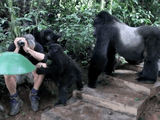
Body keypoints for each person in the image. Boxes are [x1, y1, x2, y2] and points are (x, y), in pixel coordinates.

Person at [4, 34, 47, 115]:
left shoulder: (37, 45)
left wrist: (28, 49)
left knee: (43, 66)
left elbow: (44, 59)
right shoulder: (14, 46)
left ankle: (34, 94)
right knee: (7, 72)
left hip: (31, 73)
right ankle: (15, 99)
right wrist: (17, 48)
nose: (32, 48)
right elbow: (8, 63)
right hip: (17, 74)